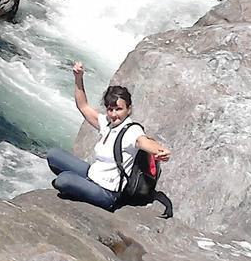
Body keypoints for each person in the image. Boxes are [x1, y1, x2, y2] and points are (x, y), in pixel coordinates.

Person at [46, 61, 171, 210]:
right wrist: (78, 78)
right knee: (53, 155)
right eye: (110, 109)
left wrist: (160, 151)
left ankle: (79, 186)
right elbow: (83, 106)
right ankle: (80, 184)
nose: (113, 114)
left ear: (128, 109)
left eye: (118, 109)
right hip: (91, 174)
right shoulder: (107, 123)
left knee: (63, 180)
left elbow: (143, 142)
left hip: (107, 193)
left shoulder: (132, 130)